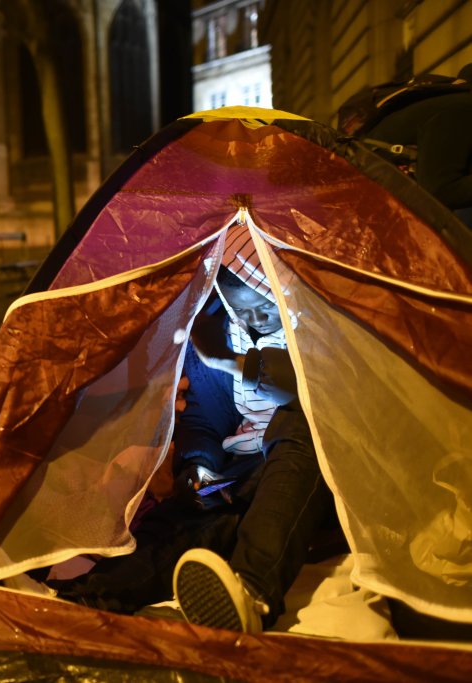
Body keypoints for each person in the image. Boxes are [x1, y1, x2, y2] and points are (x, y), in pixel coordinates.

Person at [50, 229, 337, 633]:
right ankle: (88, 597)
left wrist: (229, 360)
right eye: (242, 311)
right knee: (196, 516)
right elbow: (204, 418)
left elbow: (304, 389)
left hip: (311, 477)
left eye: (262, 307)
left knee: (299, 421)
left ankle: (252, 592)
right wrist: (198, 466)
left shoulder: (316, 324)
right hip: (244, 477)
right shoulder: (219, 326)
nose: (254, 321)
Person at [362, 64, 472, 228]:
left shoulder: (451, 104)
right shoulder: (460, 109)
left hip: (382, 201)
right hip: (380, 209)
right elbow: (441, 190)